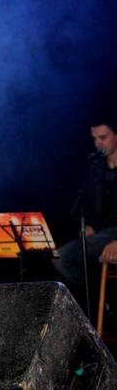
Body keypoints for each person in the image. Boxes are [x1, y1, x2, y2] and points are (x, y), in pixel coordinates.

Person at [53, 120, 117, 293]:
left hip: (113, 235)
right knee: (59, 257)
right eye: (94, 139)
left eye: (103, 137)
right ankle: (98, 299)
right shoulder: (96, 168)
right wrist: (89, 225)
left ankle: (101, 298)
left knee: (66, 257)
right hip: (102, 234)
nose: (98, 143)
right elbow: (88, 204)